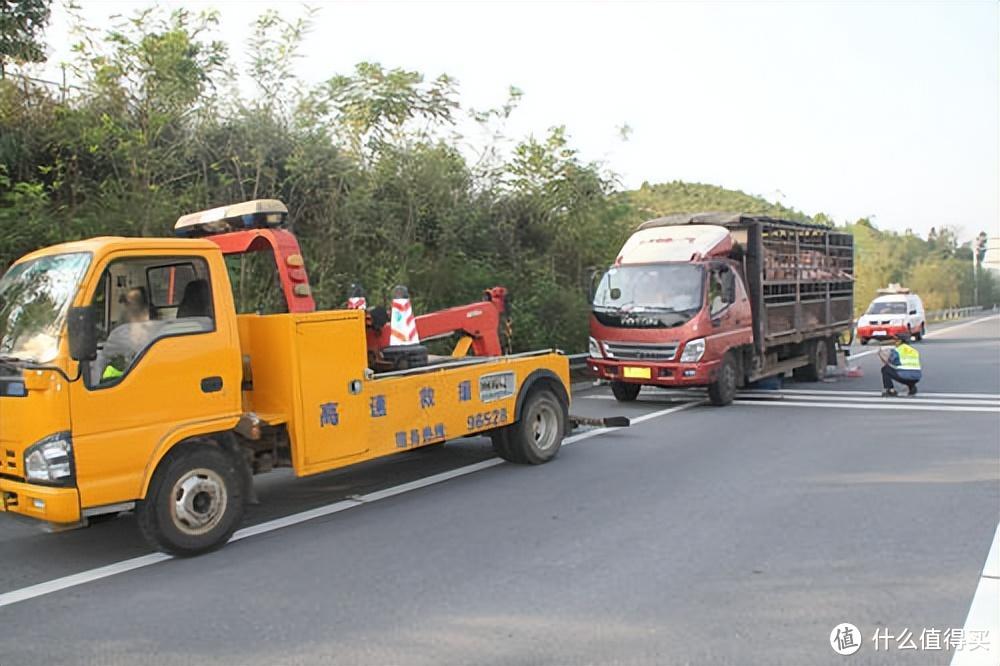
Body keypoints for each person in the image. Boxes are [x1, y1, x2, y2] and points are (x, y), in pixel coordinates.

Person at [878, 332, 922, 397]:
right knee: (908, 372)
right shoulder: (914, 351)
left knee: (885, 369)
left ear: (900, 341)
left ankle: (890, 390)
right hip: (917, 377)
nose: (895, 342)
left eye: (896, 340)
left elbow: (889, 362)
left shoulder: (898, 350)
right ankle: (912, 388)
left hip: (904, 376)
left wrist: (880, 354)